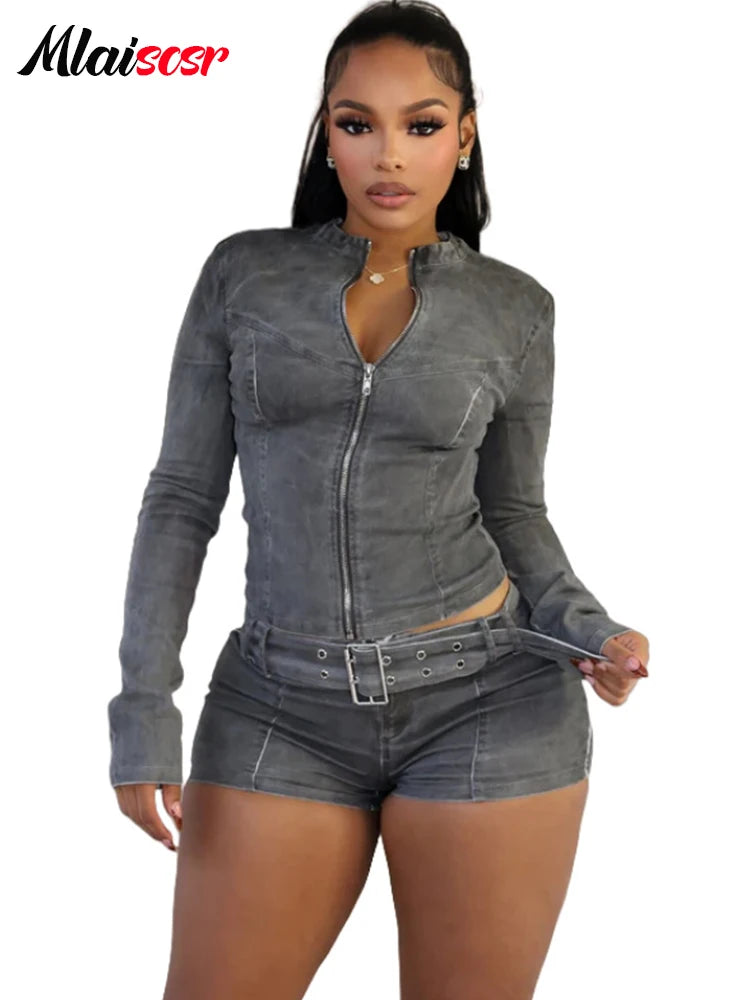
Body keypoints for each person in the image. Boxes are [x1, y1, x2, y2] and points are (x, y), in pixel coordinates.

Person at [108, 2, 650, 997]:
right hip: (276, 701)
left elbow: (514, 513)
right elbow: (181, 497)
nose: (389, 154)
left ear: (465, 135)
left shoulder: (515, 309)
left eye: (423, 123)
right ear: (327, 132)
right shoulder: (245, 275)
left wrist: (589, 628)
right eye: (358, 123)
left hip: (489, 699)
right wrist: (144, 705)